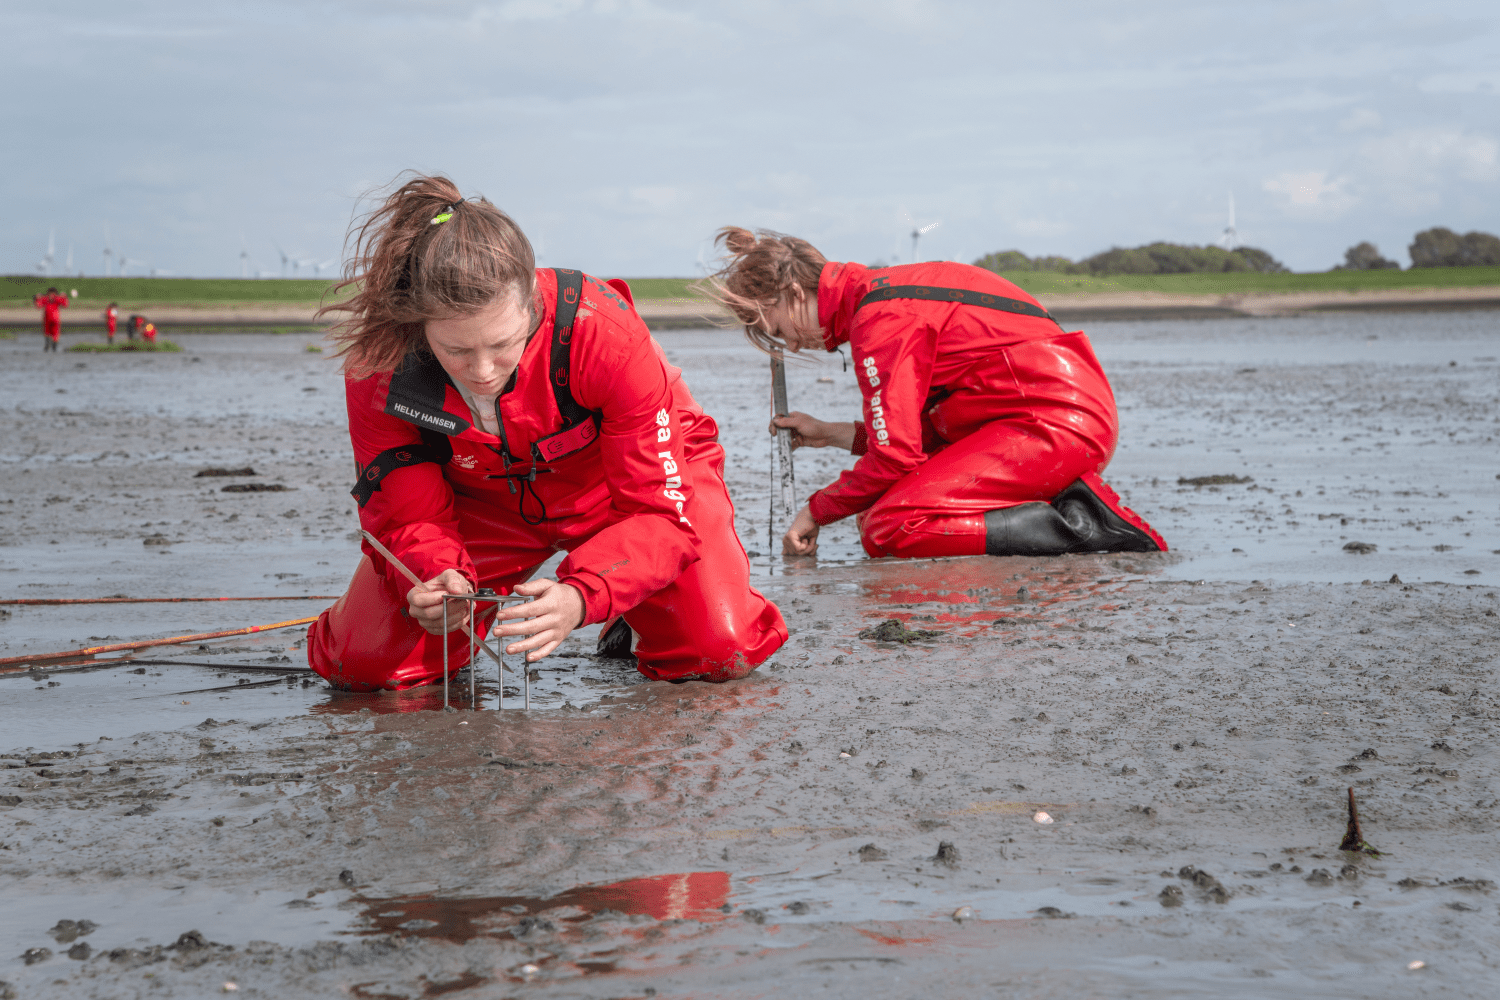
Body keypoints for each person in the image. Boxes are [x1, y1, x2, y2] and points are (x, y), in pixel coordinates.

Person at [306, 175, 786, 692]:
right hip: (484, 503)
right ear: (418, 325)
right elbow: (405, 513)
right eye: (457, 351)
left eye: (502, 343)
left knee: (722, 651)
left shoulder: (604, 331)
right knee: (360, 668)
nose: (484, 371)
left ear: (532, 302)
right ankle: (458, 621)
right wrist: (434, 576)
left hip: (622, 495)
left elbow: (659, 513)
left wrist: (584, 594)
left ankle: (630, 602)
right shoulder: (381, 365)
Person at [704, 228, 1167, 560]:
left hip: (1053, 423)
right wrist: (835, 434)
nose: (793, 344)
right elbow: (914, 439)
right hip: (1045, 414)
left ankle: (1085, 524)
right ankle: (1047, 505)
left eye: (781, 329)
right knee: (879, 512)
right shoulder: (883, 296)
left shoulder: (880, 320)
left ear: (794, 294)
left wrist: (815, 511)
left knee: (891, 527)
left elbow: (896, 456)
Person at [33, 286, 67, 352]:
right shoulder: (56, 298)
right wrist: (65, 297)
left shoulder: (46, 298)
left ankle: (50, 346)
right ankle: (52, 347)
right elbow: (65, 304)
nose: (52, 295)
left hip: (50, 319)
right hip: (52, 318)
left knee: (51, 333)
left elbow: (38, 305)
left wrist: (35, 299)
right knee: (53, 334)